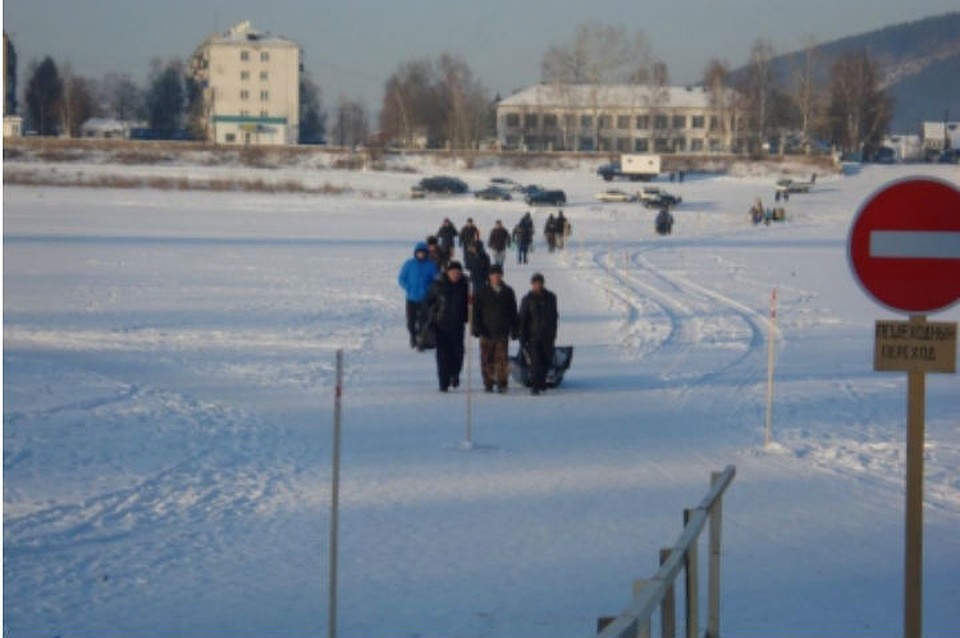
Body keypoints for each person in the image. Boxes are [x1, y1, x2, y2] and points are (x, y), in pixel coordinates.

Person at [422, 260, 469, 392]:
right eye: (453, 272)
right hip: (441, 326)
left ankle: (455, 374)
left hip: (458, 325)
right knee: (443, 355)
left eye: (458, 272)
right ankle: (443, 382)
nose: (455, 275)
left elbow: (470, 304)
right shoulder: (438, 286)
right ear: (447, 272)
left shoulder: (465, 286)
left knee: (458, 353)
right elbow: (426, 303)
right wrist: (430, 316)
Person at [473, 264, 519, 393]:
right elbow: (476, 312)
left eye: (498, 275)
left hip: (502, 331)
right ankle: (488, 382)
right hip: (486, 330)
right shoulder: (482, 292)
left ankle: (502, 382)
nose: (496, 277)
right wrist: (476, 327)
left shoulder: (508, 292)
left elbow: (513, 312)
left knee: (502, 359)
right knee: (486, 358)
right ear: (489, 276)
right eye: (494, 275)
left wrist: (515, 328)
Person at [518, 272, 559, 395]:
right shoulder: (527, 299)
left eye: (540, 283)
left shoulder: (551, 297)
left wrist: (554, 331)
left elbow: (554, 315)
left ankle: (542, 382)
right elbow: (522, 319)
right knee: (535, 361)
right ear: (532, 284)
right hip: (533, 335)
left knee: (546, 360)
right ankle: (535, 385)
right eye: (535, 283)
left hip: (548, 335)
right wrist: (522, 337)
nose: (538, 285)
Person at [398, 242, 440, 348]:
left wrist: (431, 290)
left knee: (423, 320)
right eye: (419, 253)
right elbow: (401, 279)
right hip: (411, 297)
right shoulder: (409, 264)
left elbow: (436, 279)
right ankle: (413, 336)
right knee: (411, 320)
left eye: (423, 253)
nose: (421, 255)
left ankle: (422, 339)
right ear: (415, 253)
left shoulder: (431, 265)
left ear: (426, 253)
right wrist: (408, 288)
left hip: (425, 298)